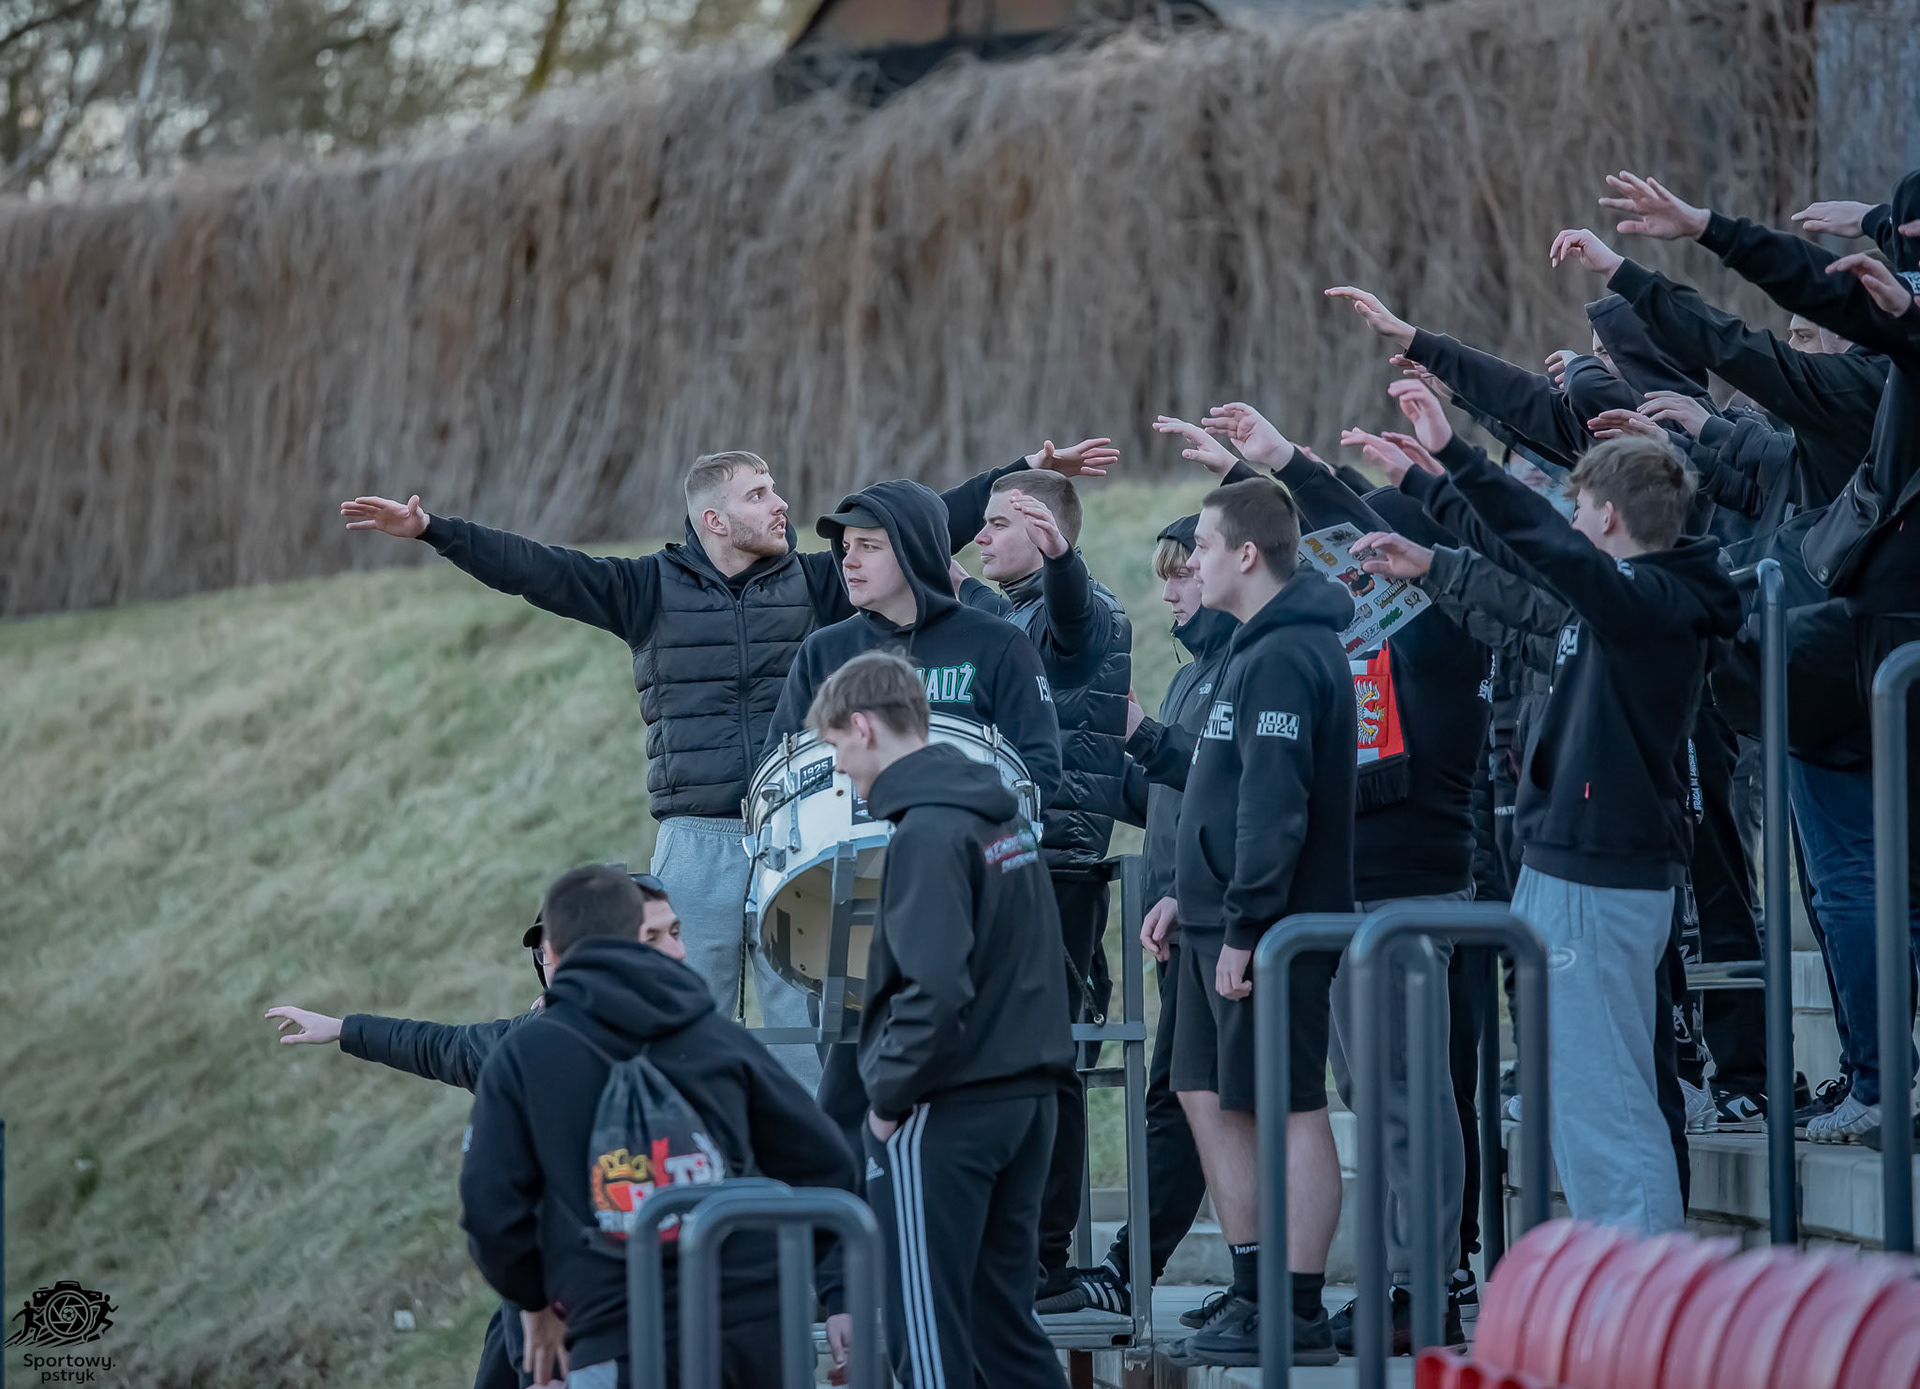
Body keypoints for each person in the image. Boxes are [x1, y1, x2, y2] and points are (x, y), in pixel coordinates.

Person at [340, 443, 1106, 1087]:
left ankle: (814, 1196)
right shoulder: (644, 588)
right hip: (693, 842)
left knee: (804, 1041)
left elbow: (917, 522)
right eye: (759, 493)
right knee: (676, 1026)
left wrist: (1021, 469)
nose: (781, 505)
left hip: (802, 837)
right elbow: (538, 569)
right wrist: (434, 529)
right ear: (714, 519)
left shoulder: (817, 582)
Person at [1598, 167, 1920, 1143]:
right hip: (1869, 648)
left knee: (1853, 873)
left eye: (1819, 333)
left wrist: (1671, 252)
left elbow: (1755, 346)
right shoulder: (1866, 381)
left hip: (1863, 647)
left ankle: (1879, 1076)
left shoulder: (1860, 386)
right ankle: (1880, 1075)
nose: (1807, 339)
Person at [1381, 373, 1739, 1232]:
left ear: (1608, 518)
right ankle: (1617, 1282)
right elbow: (1519, 557)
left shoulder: (1649, 603)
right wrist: (1432, 488)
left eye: (1577, 509)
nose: (1569, 522)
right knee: (1577, 1103)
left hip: (1599, 876)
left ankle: (1647, 1297)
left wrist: (1455, 454)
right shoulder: (1619, 599)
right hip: (1568, 869)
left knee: (1608, 1106)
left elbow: (1545, 546)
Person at [265, 874, 687, 1389]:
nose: (552, 963)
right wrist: (343, 1029)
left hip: (636, 1291)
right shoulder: (523, 1042)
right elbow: (440, 1048)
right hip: (545, 1291)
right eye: (544, 955)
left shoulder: (695, 1043)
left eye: (562, 950)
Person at [459, 865, 858, 1389]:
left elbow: (491, 1213)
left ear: (554, 952)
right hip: (754, 1332)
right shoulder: (718, 1040)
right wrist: (841, 1294)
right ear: (635, 936)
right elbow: (824, 1164)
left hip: (616, 1336)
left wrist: (535, 1305)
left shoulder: (524, 1058)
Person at [806, 650, 1075, 1389]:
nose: (840, 768)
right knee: (1004, 1331)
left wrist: (887, 1103)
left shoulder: (925, 833)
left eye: (836, 746)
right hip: (1030, 1101)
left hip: (949, 1108)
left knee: (927, 1342)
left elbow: (935, 990)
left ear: (864, 726)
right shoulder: (999, 813)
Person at [1152, 477, 1357, 1368]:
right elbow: (1224, 792)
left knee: (1290, 1103)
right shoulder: (1249, 647)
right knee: (1203, 1088)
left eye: (1201, 546)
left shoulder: (1288, 652)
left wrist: (1244, 927)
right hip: (1218, 919)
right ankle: (1252, 1285)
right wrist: (1188, 896)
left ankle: (1297, 1308)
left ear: (1245, 552)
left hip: (1273, 931)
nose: (1190, 562)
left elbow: (1274, 809)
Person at [940, 466, 1134, 1300]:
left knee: (1049, 1064)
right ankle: (1006, 1250)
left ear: (1048, 532)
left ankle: (1046, 1261)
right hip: (999, 864)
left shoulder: (1084, 612)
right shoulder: (996, 614)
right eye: (981, 523)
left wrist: (1062, 561)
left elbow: (1073, 612)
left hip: (1056, 869)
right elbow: (940, 568)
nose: (982, 536)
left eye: (999, 524)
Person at [1041, 513, 1230, 1320]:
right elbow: (1162, 796)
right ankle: (1139, 1269)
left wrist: (1144, 734)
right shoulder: (1193, 675)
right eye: (1165, 576)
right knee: (1177, 1099)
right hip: (1175, 924)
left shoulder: (1248, 667)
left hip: (1220, 921)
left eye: (1183, 572)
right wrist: (1086, 758)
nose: (1169, 593)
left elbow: (1233, 789)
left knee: (1207, 1102)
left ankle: (1164, 1272)